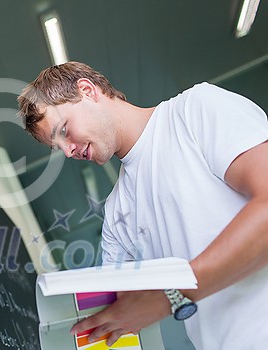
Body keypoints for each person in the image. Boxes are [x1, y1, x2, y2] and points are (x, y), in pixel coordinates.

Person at [17, 61, 268, 350]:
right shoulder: (115, 216)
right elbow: (115, 320)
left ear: (87, 91)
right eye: (55, 147)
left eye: (64, 131)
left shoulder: (194, 111)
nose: (68, 151)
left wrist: (171, 296)